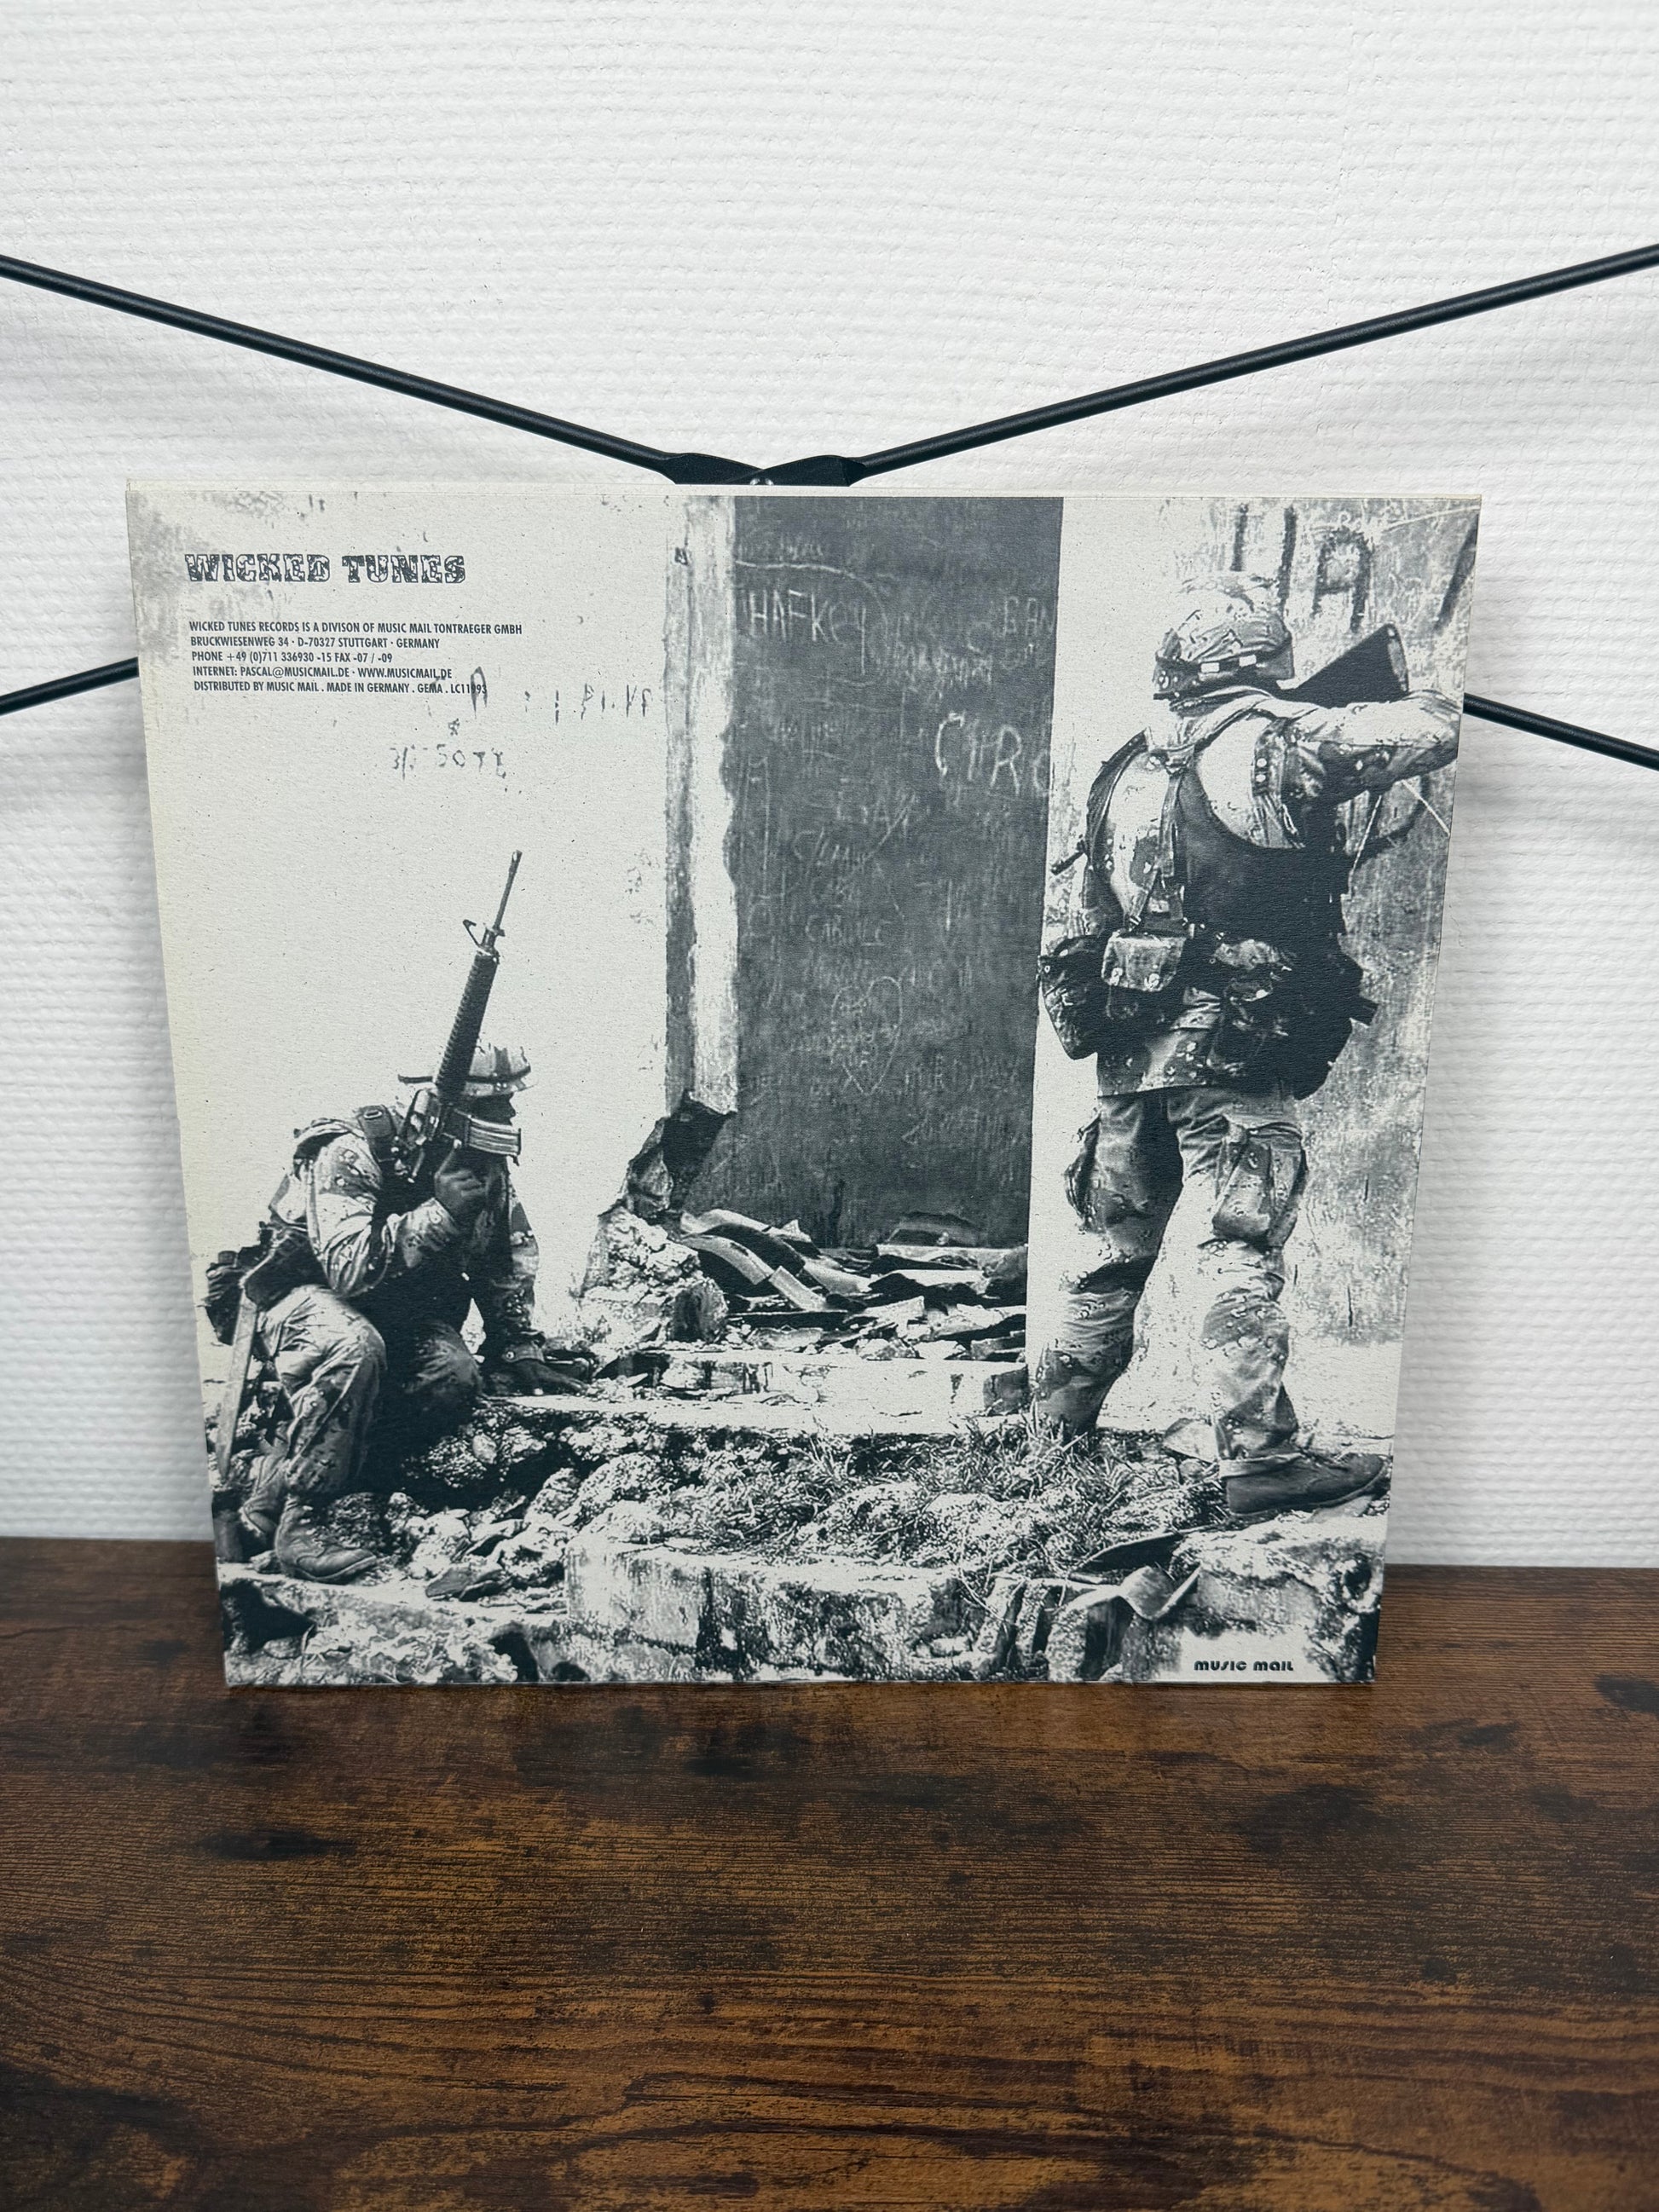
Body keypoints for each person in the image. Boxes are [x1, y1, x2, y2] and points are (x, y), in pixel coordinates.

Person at [1032, 579, 1460, 1520]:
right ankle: (1262, 1460)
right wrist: (1410, 691)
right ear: (1260, 659)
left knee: (1112, 1249)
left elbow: (1087, 912)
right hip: (1230, 1049)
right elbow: (1433, 730)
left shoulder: (1126, 763)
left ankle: (1050, 1442)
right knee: (1239, 1247)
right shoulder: (1275, 739)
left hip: (1127, 1049)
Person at [226, 1043, 587, 1580]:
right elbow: (347, 1268)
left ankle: (280, 1479)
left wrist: (518, 1345)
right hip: (300, 1299)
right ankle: (302, 1523)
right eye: (492, 1103)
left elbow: (502, 1254)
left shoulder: (479, 1161)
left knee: (453, 1378)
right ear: (446, 1105)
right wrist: (440, 1213)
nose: (509, 1113)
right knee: (355, 1348)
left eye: (510, 1099)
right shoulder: (351, 1148)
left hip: (393, 1308)